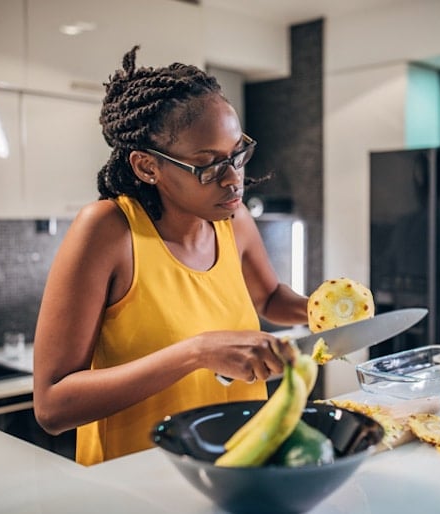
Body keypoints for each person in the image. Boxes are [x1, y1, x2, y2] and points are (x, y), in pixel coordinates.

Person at [32, 46, 309, 466]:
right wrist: (196, 352)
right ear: (147, 166)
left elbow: (268, 298)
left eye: (237, 153)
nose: (234, 180)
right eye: (209, 164)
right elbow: (52, 407)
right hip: (137, 484)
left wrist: (321, 310)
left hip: (241, 468)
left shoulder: (232, 221)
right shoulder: (107, 231)